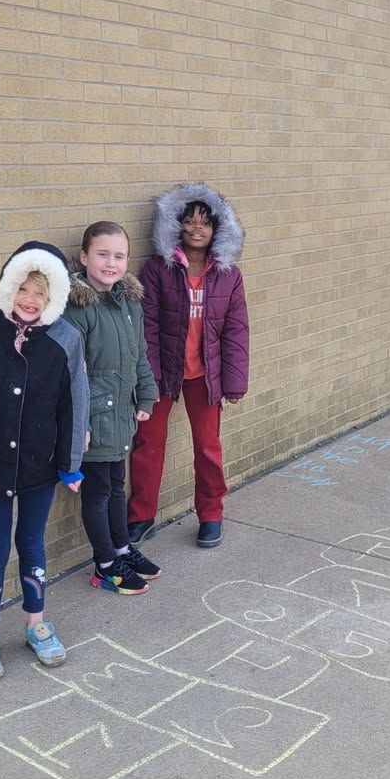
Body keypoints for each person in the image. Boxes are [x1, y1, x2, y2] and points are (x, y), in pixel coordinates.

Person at [0, 242, 88, 682]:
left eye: (41, 295)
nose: (30, 300)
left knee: (31, 544)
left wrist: (70, 463)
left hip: (38, 466)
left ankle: (35, 624)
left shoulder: (66, 340)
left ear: (54, 300)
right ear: (9, 287)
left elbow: (74, 406)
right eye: (23, 289)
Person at [127, 183, 250, 548]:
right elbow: (146, 326)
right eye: (190, 222)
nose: (197, 229)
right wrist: (146, 377)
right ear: (177, 226)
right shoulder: (157, 270)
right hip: (163, 373)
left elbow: (236, 331)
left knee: (208, 446)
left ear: (217, 230)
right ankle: (141, 515)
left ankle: (211, 514)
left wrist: (234, 382)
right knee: (148, 443)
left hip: (206, 376)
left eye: (205, 223)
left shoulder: (229, 276)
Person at [64, 221, 161, 595]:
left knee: (117, 486)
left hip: (121, 411)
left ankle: (121, 548)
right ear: (85, 257)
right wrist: (79, 423)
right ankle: (104, 564)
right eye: (102, 254)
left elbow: (139, 355)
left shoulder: (128, 303)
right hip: (91, 416)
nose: (111, 263)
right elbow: (73, 371)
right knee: (98, 491)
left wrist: (146, 394)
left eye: (119, 256)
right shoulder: (78, 308)